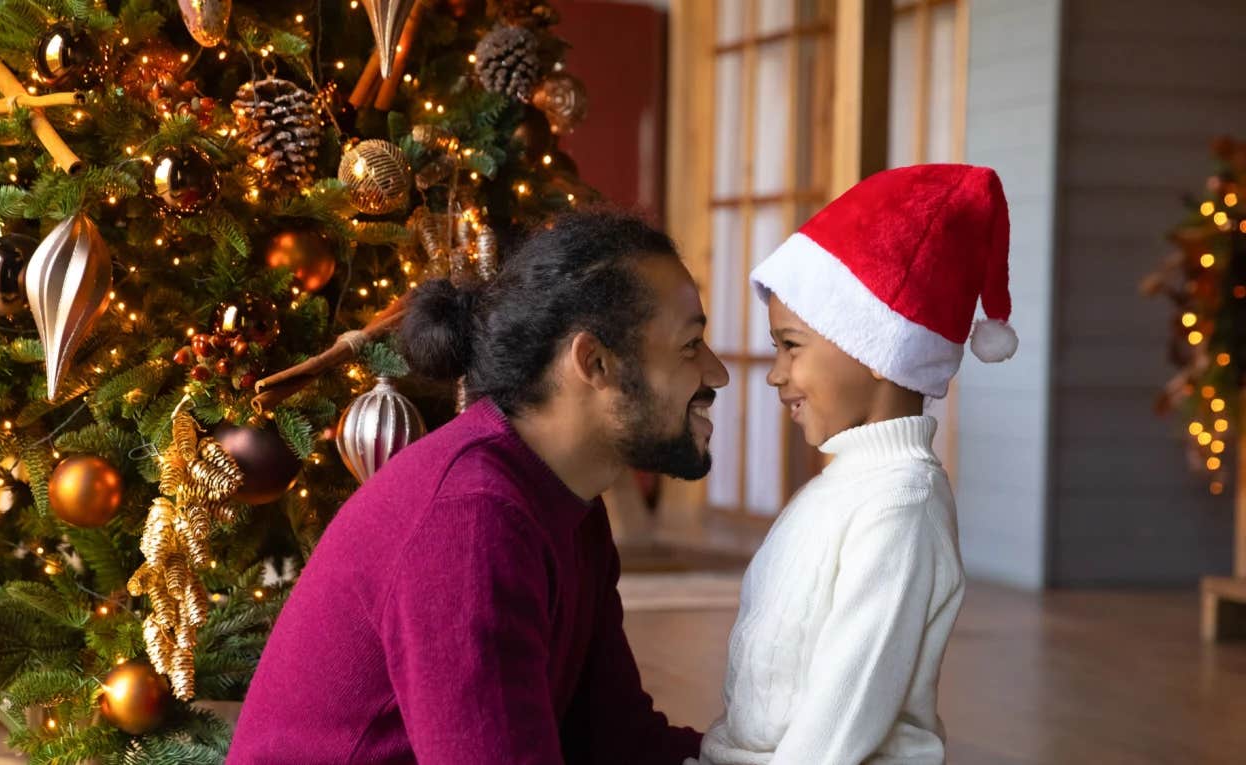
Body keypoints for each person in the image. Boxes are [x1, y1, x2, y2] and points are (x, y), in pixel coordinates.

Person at [228, 211, 730, 764]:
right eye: (689, 345)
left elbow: (617, 741)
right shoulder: (469, 520)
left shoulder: (573, 506)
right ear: (595, 362)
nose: (716, 372)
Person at [692, 164, 1016, 765]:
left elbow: (840, 722)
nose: (776, 372)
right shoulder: (845, 484)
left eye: (791, 345)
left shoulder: (899, 506)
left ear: (873, 347)